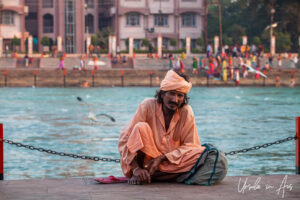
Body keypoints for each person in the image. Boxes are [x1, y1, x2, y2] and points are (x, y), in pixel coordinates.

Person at [118, 70, 227, 185]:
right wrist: (136, 169)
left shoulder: (186, 111)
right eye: (171, 93)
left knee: (213, 156)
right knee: (140, 128)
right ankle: (143, 174)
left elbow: (191, 146)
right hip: (144, 165)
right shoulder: (147, 105)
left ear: (184, 98)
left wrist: (163, 158)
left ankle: (160, 175)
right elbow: (125, 139)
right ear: (162, 94)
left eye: (180, 95)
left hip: (171, 163)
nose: (175, 99)